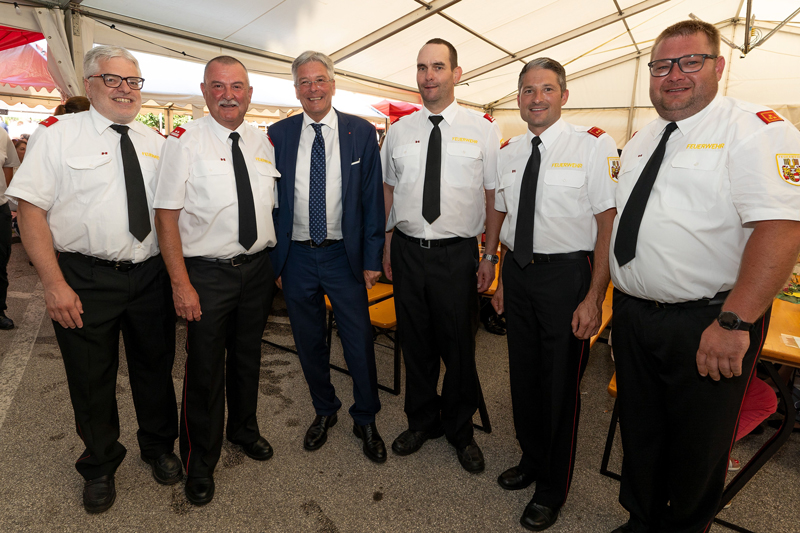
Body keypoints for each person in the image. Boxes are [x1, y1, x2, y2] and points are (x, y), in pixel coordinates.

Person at [608, 20, 800, 533]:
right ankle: (642, 520)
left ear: (719, 66)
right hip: (633, 313)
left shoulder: (756, 129)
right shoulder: (643, 138)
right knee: (641, 430)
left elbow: (780, 231)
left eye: (689, 61)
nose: (674, 75)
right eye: (661, 65)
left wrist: (735, 322)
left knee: (699, 445)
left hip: (710, 319)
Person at [6, 45, 180, 513]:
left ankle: (160, 446)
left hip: (149, 275)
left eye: (133, 81)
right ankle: (100, 464)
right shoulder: (58, 135)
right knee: (90, 378)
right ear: (89, 84)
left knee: (155, 367)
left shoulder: (155, 142)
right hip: (85, 277)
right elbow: (30, 210)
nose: (125, 89)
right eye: (113, 79)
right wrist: (54, 283)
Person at [489, 58, 617, 531]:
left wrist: (594, 297)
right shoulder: (509, 151)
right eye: (527, 90)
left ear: (564, 95)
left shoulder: (592, 146)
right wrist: (501, 275)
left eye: (546, 89)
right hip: (520, 274)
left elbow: (607, 225)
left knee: (560, 384)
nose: (536, 98)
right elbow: (504, 218)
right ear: (518, 97)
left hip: (568, 276)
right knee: (523, 376)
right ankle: (531, 459)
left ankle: (553, 486)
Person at [154, 55, 279, 506]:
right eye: (219, 86)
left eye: (238, 86)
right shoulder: (184, 143)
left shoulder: (261, 141)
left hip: (257, 269)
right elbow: (165, 217)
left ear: (249, 93)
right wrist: (180, 284)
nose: (229, 94)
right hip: (206, 273)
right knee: (204, 370)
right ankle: (199, 461)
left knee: (247, 357)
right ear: (205, 91)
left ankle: (244, 430)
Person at [382, 38, 501, 473]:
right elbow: (389, 191)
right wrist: (387, 239)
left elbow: (494, 197)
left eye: (437, 67)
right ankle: (422, 421)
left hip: (457, 255)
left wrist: (489, 254)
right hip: (410, 252)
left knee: (459, 348)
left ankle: (460, 429)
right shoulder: (400, 130)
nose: (428, 76)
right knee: (416, 345)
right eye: (421, 67)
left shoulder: (483, 129)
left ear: (457, 73)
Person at [268, 51, 386, 463]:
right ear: (296, 88)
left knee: (358, 341)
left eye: (320, 80)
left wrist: (373, 258)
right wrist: (277, 262)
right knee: (308, 341)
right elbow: (271, 202)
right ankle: (324, 409)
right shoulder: (278, 134)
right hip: (297, 257)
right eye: (304, 82)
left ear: (332, 84)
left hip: (343, 255)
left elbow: (372, 200)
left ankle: (366, 416)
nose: (313, 88)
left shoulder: (360, 132)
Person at [0, 126, 21, 330]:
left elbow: (8, 167)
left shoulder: (1, 134)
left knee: (0, 262)